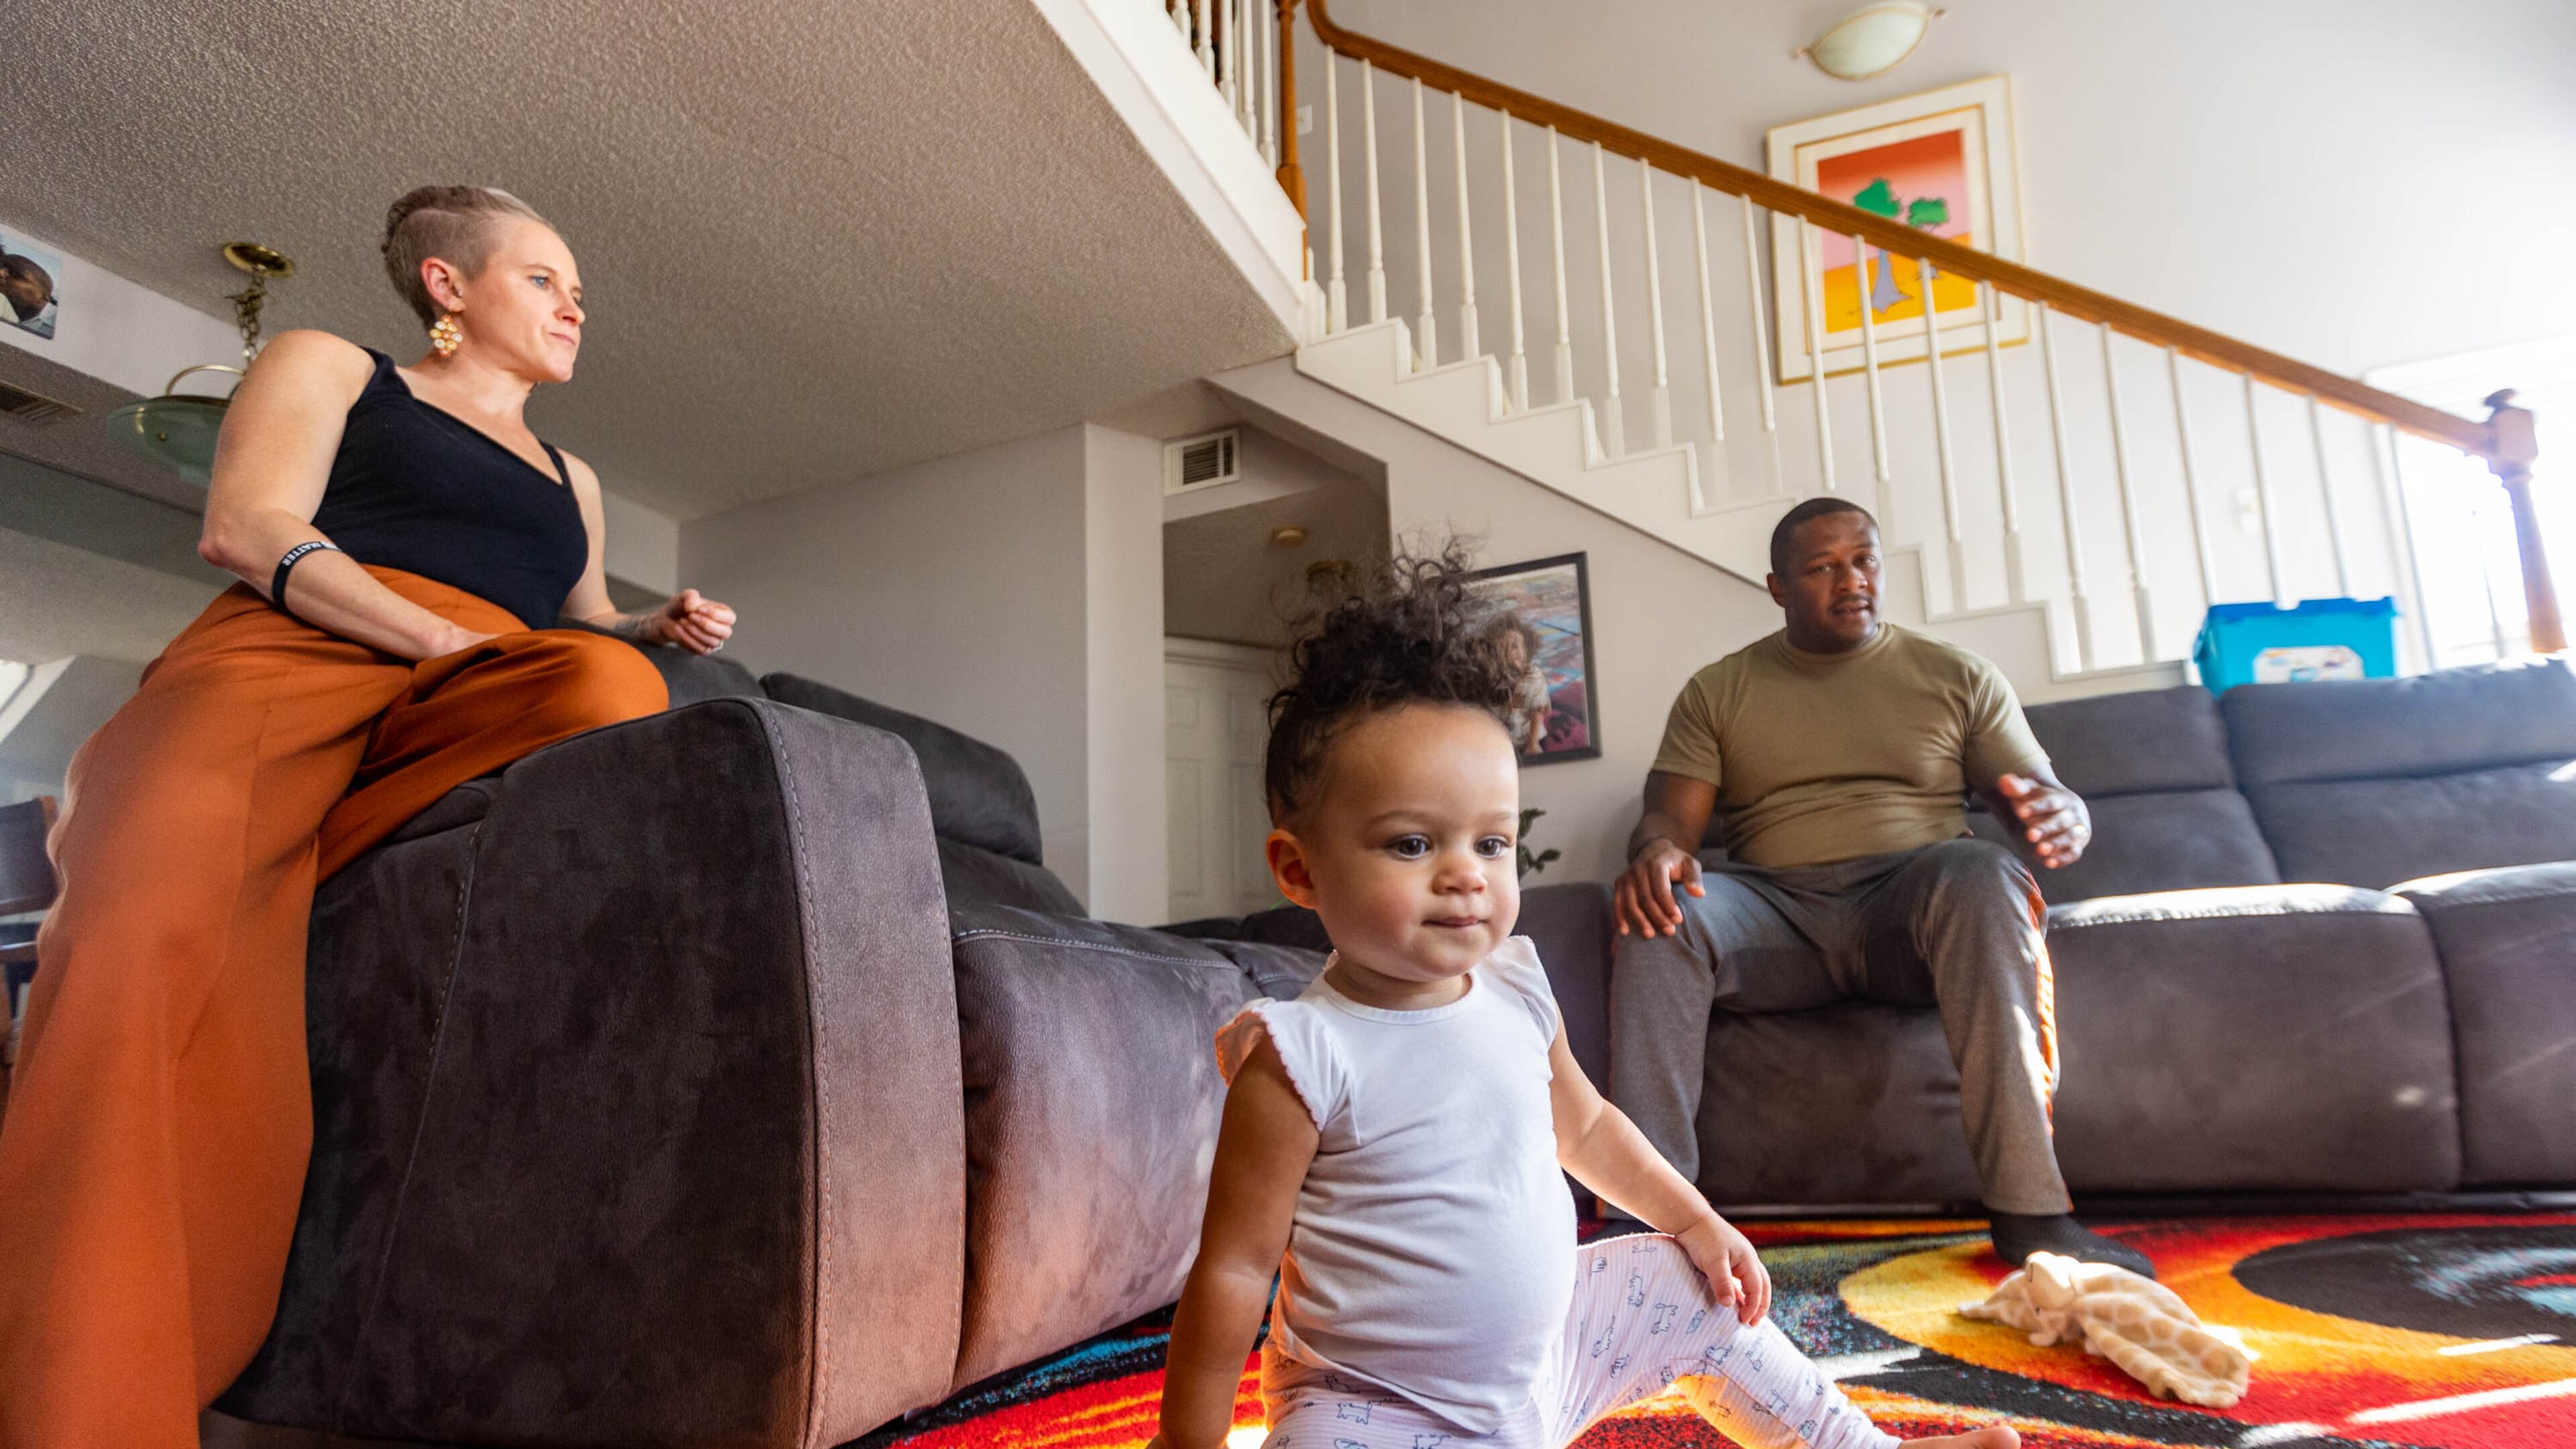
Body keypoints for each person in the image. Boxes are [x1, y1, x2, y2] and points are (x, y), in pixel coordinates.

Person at [0, 184, 739, 1448]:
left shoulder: (576, 474)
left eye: (579, 293)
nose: (574, 307)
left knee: (615, 681)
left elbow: (572, 619)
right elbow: (247, 528)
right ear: (448, 288)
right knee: (136, 938)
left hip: (467, 690)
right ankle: (87, 1404)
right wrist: (436, 636)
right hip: (292, 657)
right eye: (544, 279)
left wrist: (646, 627)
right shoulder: (333, 366)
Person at [1150, 550, 2015, 1449]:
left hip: (1548, 1375)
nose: (1465, 877)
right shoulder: (1298, 1056)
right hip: (1376, 1410)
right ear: (1301, 869)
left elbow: (1590, 1129)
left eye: (1491, 843)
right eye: (1411, 845)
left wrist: (1697, 1221)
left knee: (1696, 1286)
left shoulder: (1515, 989)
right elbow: (1236, 1269)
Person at [1608, 497, 2152, 1278]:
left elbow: (2034, 792)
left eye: (1863, 560)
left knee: (1986, 870)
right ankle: (1650, 1232)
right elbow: (1668, 819)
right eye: (1822, 567)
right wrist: (1659, 852)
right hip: (1778, 919)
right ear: (1777, 587)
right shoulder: (1719, 690)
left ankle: (2032, 1214)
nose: (1851, 580)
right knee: (1657, 912)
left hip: (1913, 917)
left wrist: (2063, 814)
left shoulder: (1955, 675)